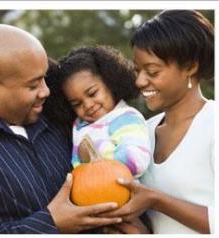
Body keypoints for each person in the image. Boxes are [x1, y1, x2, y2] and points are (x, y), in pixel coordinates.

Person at [0, 24, 123, 234]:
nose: (46, 91)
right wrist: (49, 223)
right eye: (33, 85)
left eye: (44, 77)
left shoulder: (60, 115)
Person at [101, 10, 214, 234]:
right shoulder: (142, 131)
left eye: (152, 71)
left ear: (190, 66)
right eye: (138, 69)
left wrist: (156, 200)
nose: (140, 80)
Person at [45, 46, 151, 179]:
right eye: (77, 104)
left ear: (110, 81)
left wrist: (98, 169)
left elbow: (136, 159)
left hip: (122, 193)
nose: (88, 105)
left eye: (92, 93)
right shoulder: (79, 125)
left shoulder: (125, 118)